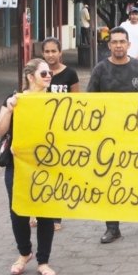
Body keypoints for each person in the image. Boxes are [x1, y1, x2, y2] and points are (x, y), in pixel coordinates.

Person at [86, 27, 138, 243]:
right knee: (111, 181)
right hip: (108, 137)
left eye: (122, 42)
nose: (118, 45)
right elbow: (90, 103)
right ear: (109, 45)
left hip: (136, 136)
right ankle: (112, 227)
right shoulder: (100, 69)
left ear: (128, 45)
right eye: (114, 42)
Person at [0, 58, 57, 275]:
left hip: (47, 165)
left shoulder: (55, 102)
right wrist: (9, 110)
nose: (48, 76)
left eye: (49, 72)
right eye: (43, 74)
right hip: (18, 164)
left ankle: (43, 260)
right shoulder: (15, 100)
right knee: (18, 210)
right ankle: (24, 253)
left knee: (45, 212)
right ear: (30, 77)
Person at [39, 37, 80, 231]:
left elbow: (77, 102)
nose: (50, 55)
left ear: (60, 52)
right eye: (47, 52)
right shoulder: (37, 73)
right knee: (39, 171)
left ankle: (56, 217)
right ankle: (36, 212)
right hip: (40, 129)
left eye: (53, 51)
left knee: (59, 173)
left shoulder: (70, 74)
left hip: (63, 131)